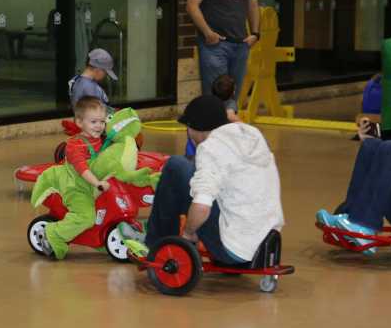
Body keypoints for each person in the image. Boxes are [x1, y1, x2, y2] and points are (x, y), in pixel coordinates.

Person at [121, 95, 284, 265]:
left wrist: (189, 233)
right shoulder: (253, 134)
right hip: (266, 241)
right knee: (195, 174)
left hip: (233, 249)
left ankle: (156, 244)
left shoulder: (210, 148)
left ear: (193, 128)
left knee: (175, 166)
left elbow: (202, 205)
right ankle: (159, 234)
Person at [317, 75, 391, 255]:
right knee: (372, 145)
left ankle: (365, 225)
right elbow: (388, 169)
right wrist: (367, 143)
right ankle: (351, 216)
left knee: (390, 148)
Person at [37, 96, 110, 260]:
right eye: (93, 122)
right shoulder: (75, 145)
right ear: (79, 122)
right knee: (86, 216)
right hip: (75, 187)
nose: (99, 126)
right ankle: (53, 233)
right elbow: (82, 169)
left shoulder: (102, 141)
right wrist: (97, 183)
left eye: (102, 121)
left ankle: (99, 238)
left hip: (90, 186)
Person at [186, 0, 260, 103]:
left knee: (233, 97)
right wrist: (208, 32)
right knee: (216, 97)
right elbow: (191, 5)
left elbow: (253, 4)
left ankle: (229, 119)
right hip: (215, 45)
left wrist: (255, 33)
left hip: (241, 44)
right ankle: (216, 119)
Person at [185, 74, 240, 157]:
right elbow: (230, 115)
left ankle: (190, 157)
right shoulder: (230, 103)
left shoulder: (207, 100)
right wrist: (245, 126)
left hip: (197, 136)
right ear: (233, 92)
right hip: (216, 138)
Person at [68, 48, 117, 113]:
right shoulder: (89, 87)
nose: (105, 76)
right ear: (98, 69)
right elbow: (96, 112)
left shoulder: (77, 80)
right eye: (105, 73)